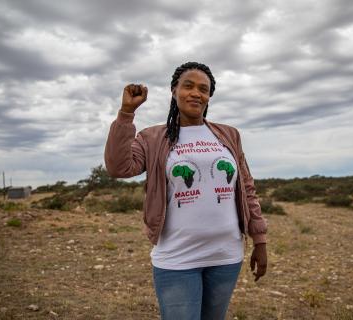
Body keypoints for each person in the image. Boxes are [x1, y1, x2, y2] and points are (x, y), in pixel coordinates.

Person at [104, 61, 267, 319]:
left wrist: (259, 240)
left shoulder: (228, 135)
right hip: (177, 257)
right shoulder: (153, 137)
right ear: (174, 90)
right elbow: (118, 167)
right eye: (188, 86)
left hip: (225, 255)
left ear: (209, 96)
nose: (196, 93)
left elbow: (246, 188)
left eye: (204, 89)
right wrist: (126, 113)